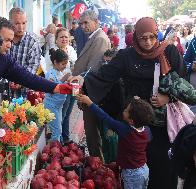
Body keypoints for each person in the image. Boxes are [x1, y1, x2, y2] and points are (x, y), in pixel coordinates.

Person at [69, 17, 188, 189]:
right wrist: (82, 79)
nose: (148, 42)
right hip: (136, 121)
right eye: (143, 38)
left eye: (152, 37)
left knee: (162, 165)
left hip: (163, 122)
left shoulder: (169, 52)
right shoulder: (127, 56)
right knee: (135, 165)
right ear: (136, 38)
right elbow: (104, 75)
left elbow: (184, 82)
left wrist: (167, 98)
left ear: (157, 35)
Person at [77, 95, 154, 189]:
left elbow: (105, 118)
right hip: (144, 169)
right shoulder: (146, 131)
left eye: (126, 111)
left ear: (131, 121)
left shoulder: (125, 130)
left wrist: (90, 103)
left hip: (131, 174)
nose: (124, 110)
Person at [72, 9, 111, 158]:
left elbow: (93, 68)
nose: (83, 26)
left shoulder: (99, 38)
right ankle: (97, 161)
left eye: (86, 23)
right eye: (81, 23)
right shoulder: (94, 37)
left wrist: (79, 81)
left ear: (96, 22)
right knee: (91, 132)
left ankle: (98, 163)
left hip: (91, 91)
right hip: (88, 89)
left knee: (92, 131)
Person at [43, 49, 71, 141]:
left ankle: (57, 146)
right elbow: (52, 88)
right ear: (55, 62)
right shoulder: (50, 74)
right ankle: (55, 149)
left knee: (58, 128)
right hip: (51, 106)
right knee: (57, 130)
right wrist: (65, 80)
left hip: (58, 106)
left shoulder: (59, 72)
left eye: (66, 64)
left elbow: (59, 82)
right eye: (63, 64)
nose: (65, 66)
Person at [9, 7, 41, 74]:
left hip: (24, 82)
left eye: (23, 23)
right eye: (17, 23)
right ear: (10, 23)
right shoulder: (4, 39)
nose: (21, 28)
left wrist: (18, 81)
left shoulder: (33, 42)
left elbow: (33, 68)